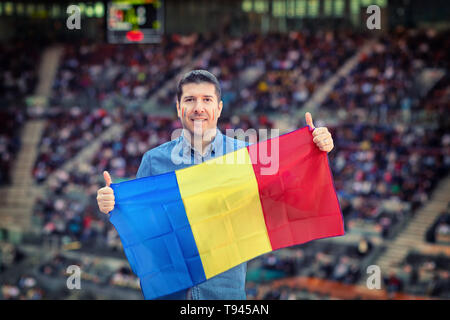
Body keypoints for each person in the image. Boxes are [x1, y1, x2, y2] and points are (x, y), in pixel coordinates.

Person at [96, 69, 335, 299]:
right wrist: (114, 206)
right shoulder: (154, 160)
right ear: (179, 108)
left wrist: (315, 151)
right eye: (190, 99)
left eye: (206, 100)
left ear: (218, 108)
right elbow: (143, 226)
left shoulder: (247, 157)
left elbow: (293, 198)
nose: (198, 107)